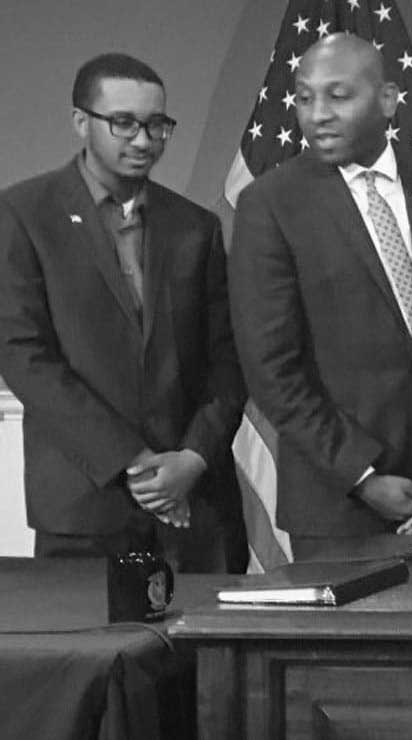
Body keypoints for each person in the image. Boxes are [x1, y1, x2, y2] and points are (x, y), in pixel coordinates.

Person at [229, 34, 412, 558]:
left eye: (339, 96)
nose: (318, 115)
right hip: (338, 510)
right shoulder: (271, 205)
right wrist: (363, 476)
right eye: (306, 97)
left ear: (387, 100)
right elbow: (273, 371)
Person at [0, 53, 247, 572]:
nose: (143, 139)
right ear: (80, 122)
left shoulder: (195, 227)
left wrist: (193, 459)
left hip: (195, 506)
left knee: (203, 655)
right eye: (125, 123)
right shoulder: (23, 215)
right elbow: (24, 357)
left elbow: (228, 359)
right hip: (85, 507)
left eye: (157, 124)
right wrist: (135, 466)